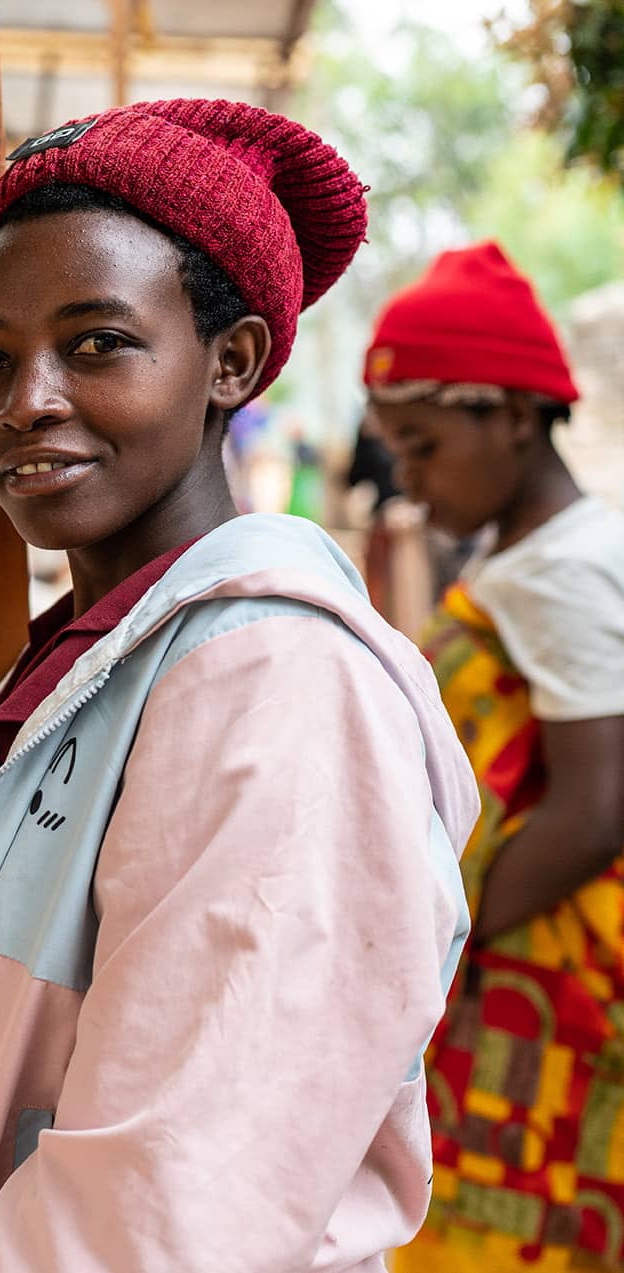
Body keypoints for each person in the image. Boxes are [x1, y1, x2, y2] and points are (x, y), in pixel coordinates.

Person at [0, 100, 475, 1273]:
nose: (26, 400)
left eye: (97, 343)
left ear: (233, 362)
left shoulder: (279, 685)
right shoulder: (82, 659)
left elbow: (167, 1210)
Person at [362, 243, 624, 1272]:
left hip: (544, 971)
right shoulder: (529, 560)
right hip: (516, 960)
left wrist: (438, 935)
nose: (413, 482)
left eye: (423, 447)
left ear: (514, 416)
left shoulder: (563, 572)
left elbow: (596, 805)